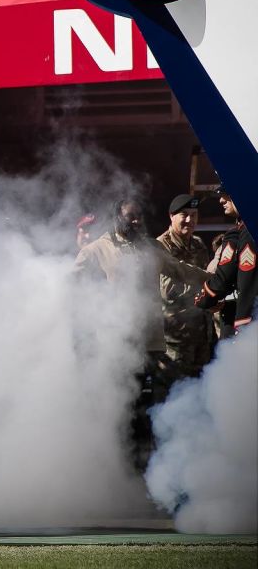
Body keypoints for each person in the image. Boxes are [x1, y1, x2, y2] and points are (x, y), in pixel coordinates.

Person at [74, 198, 211, 470]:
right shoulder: (97, 249)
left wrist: (215, 280)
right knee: (122, 407)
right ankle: (117, 466)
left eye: (139, 217)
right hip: (118, 343)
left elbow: (181, 271)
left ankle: (158, 466)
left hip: (153, 342)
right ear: (116, 217)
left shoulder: (151, 248)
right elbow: (73, 283)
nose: (136, 222)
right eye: (130, 217)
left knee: (160, 403)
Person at [155, 194, 215, 377]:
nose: (190, 220)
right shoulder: (160, 246)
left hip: (201, 335)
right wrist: (207, 287)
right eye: (184, 215)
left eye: (194, 215)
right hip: (175, 340)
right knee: (172, 396)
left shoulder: (198, 244)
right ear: (171, 216)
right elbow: (168, 290)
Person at [197, 188, 254, 334]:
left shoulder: (241, 233)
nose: (221, 200)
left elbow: (223, 279)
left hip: (250, 324)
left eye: (227, 194)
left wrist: (203, 298)